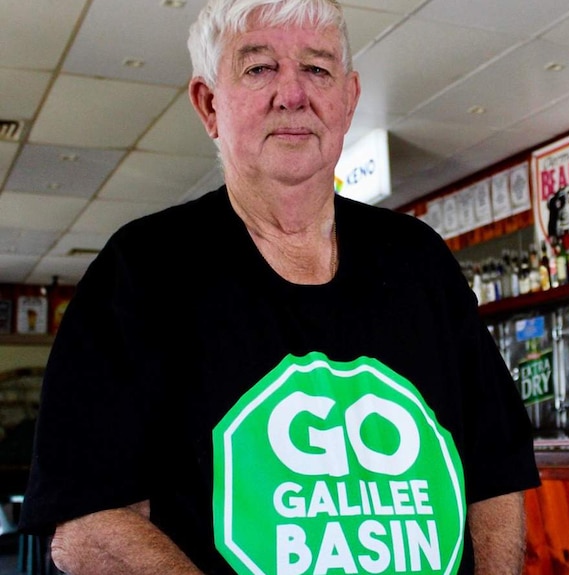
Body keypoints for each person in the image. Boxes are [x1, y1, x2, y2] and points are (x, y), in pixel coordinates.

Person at [20, 0, 540, 573]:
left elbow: (496, 470)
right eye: (259, 67)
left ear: (348, 99)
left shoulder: (420, 261)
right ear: (209, 104)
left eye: (317, 69)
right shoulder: (141, 271)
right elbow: (86, 523)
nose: (293, 94)